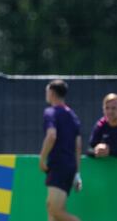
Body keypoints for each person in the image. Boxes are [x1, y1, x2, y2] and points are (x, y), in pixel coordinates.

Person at [39, 79, 82, 221]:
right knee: (52, 213)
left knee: (55, 210)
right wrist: (77, 173)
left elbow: (51, 136)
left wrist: (42, 159)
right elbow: (78, 145)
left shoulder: (51, 112)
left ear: (51, 93)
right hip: (69, 167)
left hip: (59, 165)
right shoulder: (73, 115)